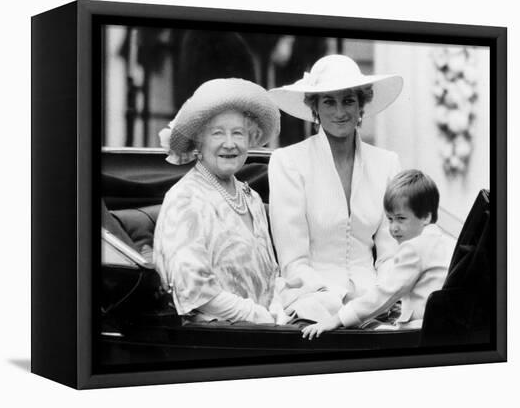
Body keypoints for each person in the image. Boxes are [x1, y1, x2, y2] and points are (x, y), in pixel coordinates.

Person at [268, 54, 404, 322]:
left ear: (361, 106)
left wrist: (377, 299)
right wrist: (338, 304)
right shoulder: (288, 162)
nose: (340, 112)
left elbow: (392, 255)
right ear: (315, 108)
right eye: (329, 101)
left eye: (348, 100)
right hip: (311, 301)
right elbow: (293, 263)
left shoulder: (387, 163)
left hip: (376, 303)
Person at [153, 78, 288, 324]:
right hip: (217, 337)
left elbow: (271, 274)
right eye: (217, 133)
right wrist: (257, 316)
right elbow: (194, 291)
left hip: (267, 332)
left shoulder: (252, 197)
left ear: (250, 139)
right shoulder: (185, 199)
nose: (230, 143)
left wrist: (278, 309)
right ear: (198, 143)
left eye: (238, 133)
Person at [302, 170, 455, 338]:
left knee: (363, 329)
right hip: (446, 325)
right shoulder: (446, 241)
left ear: (426, 217)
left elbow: (386, 293)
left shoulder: (414, 248)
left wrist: (338, 319)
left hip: (421, 330)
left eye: (401, 218)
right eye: (389, 219)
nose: (393, 228)